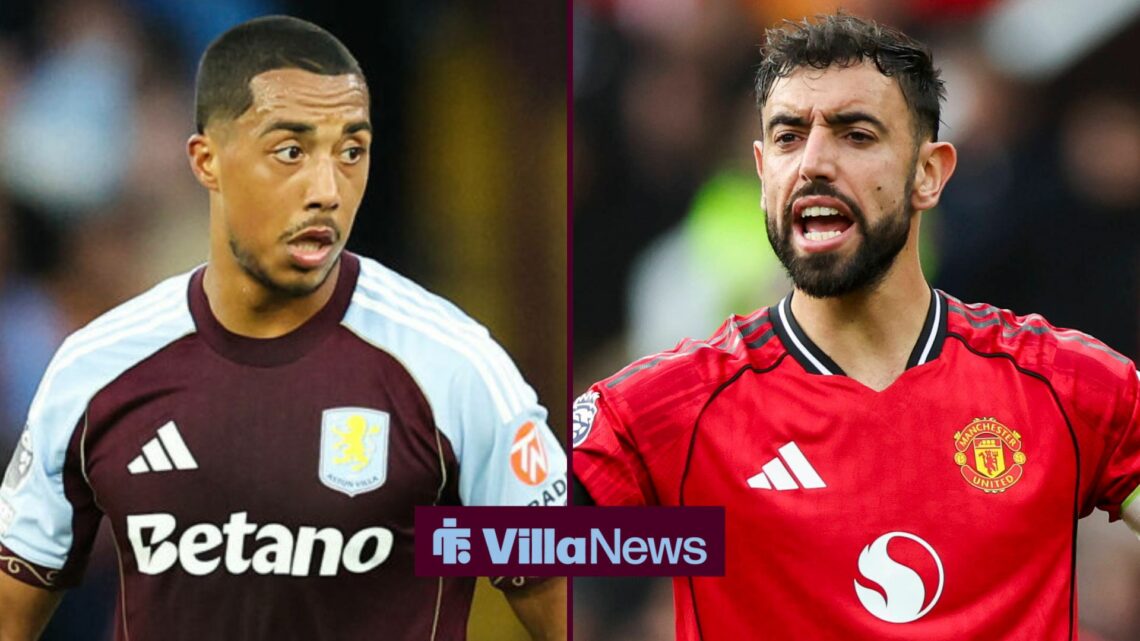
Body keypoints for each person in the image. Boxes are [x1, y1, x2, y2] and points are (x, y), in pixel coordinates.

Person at [572, 13, 1140, 640]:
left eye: (856, 135)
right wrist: (704, 542)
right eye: (788, 137)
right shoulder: (672, 407)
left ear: (929, 173)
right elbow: (486, 545)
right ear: (763, 172)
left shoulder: (1063, 386)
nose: (813, 163)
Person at [0, 15, 566, 641]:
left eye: (351, 150)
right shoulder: (96, 368)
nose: (326, 189)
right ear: (207, 160)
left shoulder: (451, 367)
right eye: (290, 151)